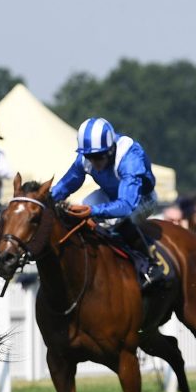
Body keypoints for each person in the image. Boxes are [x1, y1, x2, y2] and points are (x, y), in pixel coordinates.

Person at [50, 117, 164, 287]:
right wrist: (44, 200)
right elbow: (66, 185)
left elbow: (126, 205)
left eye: (98, 157)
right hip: (111, 195)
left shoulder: (130, 157)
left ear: (111, 150)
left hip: (140, 198)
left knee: (115, 220)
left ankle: (149, 264)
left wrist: (93, 211)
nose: (93, 162)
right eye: (89, 156)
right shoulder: (86, 157)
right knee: (83, 205)